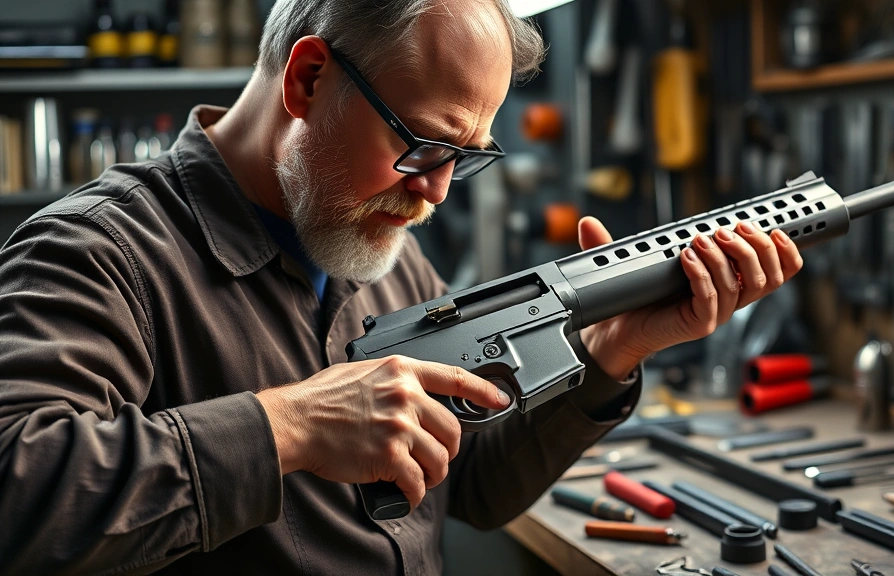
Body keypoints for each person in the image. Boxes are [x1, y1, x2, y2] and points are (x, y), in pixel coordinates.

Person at [0, 0, 803, 573]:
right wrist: (287, 426)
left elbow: (474, 488)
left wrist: (609, 355)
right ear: (309, 80)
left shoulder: (377, 247)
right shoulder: (99, 251)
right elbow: (18, 494)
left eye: (469, 155)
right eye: (425, 145)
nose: (440, 191)